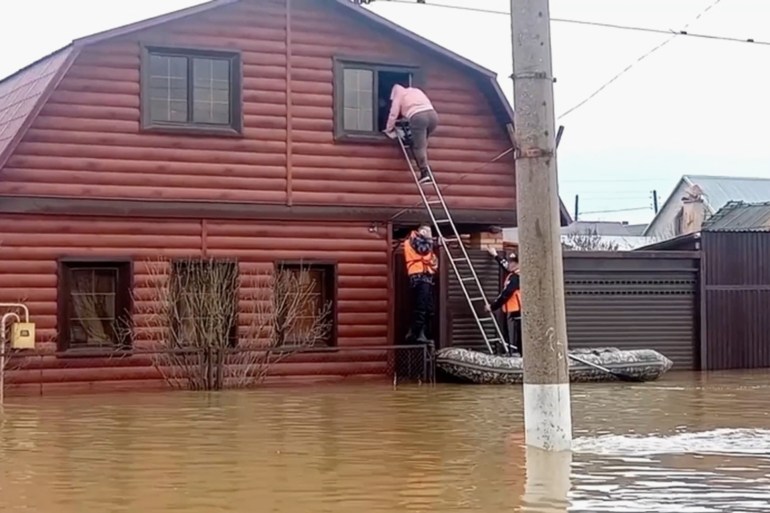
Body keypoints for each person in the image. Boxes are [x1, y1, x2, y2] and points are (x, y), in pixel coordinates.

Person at [384, 84, 439, 185]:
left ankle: (424, 173)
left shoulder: (398, 95)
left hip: (418, 117)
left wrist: (389, 129)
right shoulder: (416, 91)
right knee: (421, 143)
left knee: (419, 147)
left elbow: (393, 113)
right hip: (433, 116)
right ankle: (423, 163)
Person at [403, 223, 438, 344]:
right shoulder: (414, 239)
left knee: (429, 308)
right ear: (422, 231)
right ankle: (415, 334)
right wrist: (431, 241)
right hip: (419, 277)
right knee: (421, 308)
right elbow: (423, 251)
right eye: (428, 232)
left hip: (426, 277)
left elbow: (432, 260)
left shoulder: (423, 242)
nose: (430, 236)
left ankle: (422, 333)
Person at [484, 247, 523, 356]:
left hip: (517, 312)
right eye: (510, 262)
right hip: (513, 311)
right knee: (511, 336)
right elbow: (505, 265)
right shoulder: (514, 273)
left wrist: (492, 307)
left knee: (517, 338)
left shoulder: (517, 278)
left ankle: (519, 357)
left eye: (513, 263)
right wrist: (495, 255)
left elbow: (505, 295)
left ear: (519, 264)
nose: (510, 264)